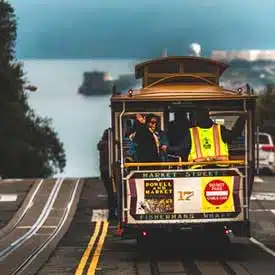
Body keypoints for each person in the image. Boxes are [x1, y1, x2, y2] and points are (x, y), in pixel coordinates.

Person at [97, 128, 116, 220]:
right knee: (114, 193)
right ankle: (113, 212)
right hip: (111, 170)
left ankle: (111, 211)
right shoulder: (111, 145)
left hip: (103, 170)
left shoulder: (101, 145)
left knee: (110, 193)